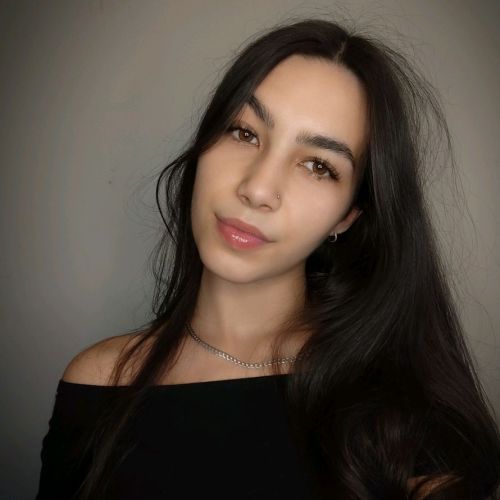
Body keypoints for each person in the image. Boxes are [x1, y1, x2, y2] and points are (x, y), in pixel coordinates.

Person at [36, 17, 500, 500]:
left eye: (318, 166)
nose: (257, 189)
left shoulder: (404, 416)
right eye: (244, 132)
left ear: (348, 215)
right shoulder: (97, 384)